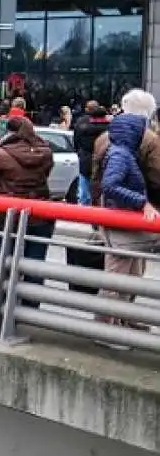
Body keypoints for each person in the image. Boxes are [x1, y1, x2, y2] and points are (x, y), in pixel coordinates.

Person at [0, 115, 55, 302]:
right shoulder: (45, 152)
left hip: (8, 215)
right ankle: (30, 309)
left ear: (8, 132)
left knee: (6, 262)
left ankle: (3, 306)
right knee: (35, 265)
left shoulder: (1, 154)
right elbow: (46, 173)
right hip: (39, 213)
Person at [97, 109, 160, 328]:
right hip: (120, 225)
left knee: (131, 274)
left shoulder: (123, 153)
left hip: (125, 223)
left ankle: (124, 319)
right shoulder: (121, 155)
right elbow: (109, 185)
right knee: (116, 279)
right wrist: (141, 202)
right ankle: (106, 328)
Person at [73, 101, 109, 206]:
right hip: (104, 160)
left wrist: (79, 152)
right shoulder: (110, 125)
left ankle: (85, 211)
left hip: (86, 160)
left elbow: (76, 141)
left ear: (87, 110)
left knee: (84, 188)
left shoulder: (81, 122)